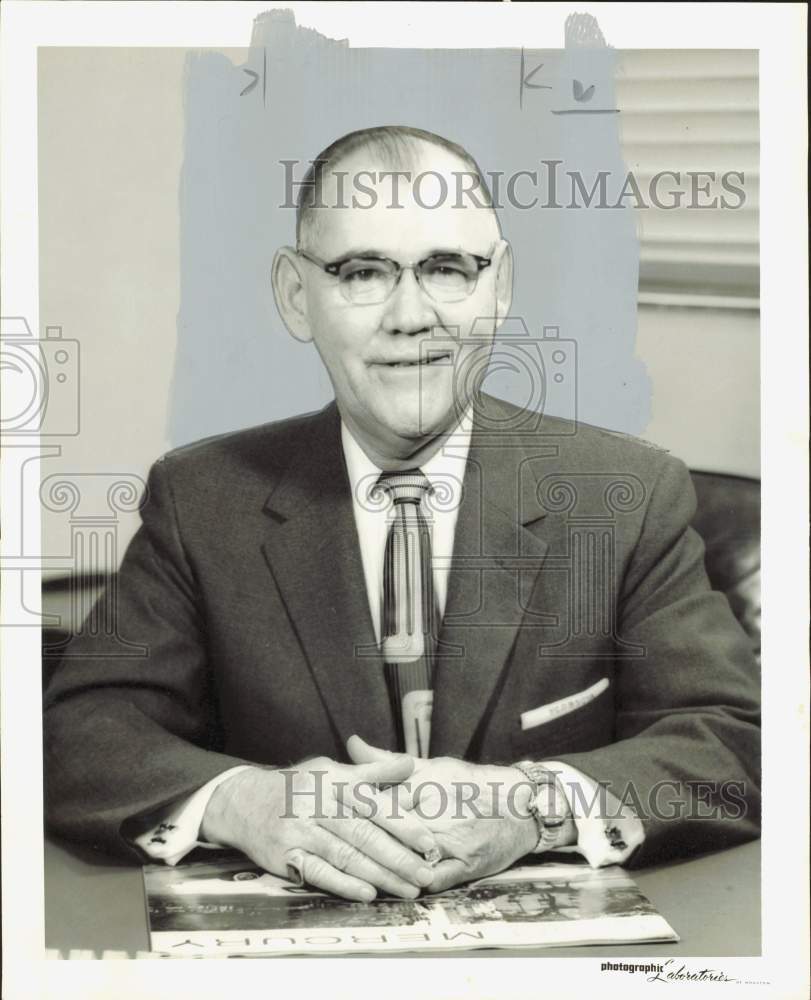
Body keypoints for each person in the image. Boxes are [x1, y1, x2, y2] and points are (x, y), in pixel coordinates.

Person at [44, 126, 760, 903]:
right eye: (362, 272)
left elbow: (733, 745)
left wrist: (534, 802)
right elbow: (80, 734)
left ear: (500, 286)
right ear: (295, 296)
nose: (410, 315)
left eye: (447, 269)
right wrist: (240, 800)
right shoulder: (201, 497)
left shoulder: (622, 493)